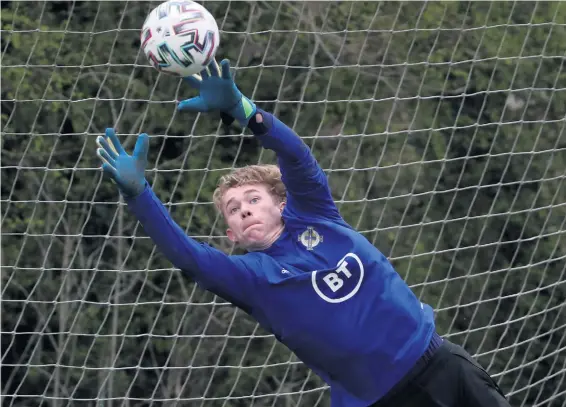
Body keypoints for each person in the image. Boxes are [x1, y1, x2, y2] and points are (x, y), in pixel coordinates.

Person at [96, 58, 512, 407]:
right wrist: (140, 195)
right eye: (234, 210)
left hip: (441, 366)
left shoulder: (317, 214)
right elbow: (188, 256)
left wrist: (243, 109)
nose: (244, 210)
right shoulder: (252, 277)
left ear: (280, 201)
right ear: (232, 234)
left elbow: (295, 153)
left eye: (253, 199)